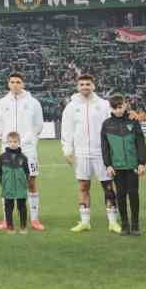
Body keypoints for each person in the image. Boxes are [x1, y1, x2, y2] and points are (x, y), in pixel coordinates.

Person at [61, 73, 118, 233]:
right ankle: (85, 221)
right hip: (81, 153)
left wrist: (112, 150)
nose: (85, 87)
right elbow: (66, 130)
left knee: (108, 186)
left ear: (93, 85)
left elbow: (112, 127)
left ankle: (113, 221)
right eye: (82, 84)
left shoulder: (104, 104)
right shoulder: (71, 107)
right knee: (83, 186)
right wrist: (68, 150)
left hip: (102, 153)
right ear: (78, 87)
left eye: (88, 84)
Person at [0, 73, 45, 231]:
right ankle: (6, 219)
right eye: (12, 82)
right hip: (7, 148)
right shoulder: (1, 103)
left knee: (31, 182)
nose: (15, 84)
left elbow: (38, 125)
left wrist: (29, 141)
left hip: (28, 149)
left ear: (23, 84)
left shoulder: (33, 103)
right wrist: (8, 140)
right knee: (7, 182)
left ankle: (34, 219)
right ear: (8, 84)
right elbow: (0, 123)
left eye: (18, 82)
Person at [100, 95, 146, 235]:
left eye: (120, 107)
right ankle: (125, 224)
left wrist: (141, 162)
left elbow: (140, 143)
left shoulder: (133, 121)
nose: (118, 110)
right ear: (111, 108)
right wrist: (108, 165)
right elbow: (105, 147)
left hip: (132, 165)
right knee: (120, 195)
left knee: (133, 194)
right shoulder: (107, 124)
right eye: (115, 108)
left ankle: (135, 224)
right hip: (117, 167)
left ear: (125, 105)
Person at [0, 131, 30, 234]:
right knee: (8, 207)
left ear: (19, 142)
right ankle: (10, 227)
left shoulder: (23, 158)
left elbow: (27, 172)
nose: (12, 144)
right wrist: (4, 183)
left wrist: (23, 182)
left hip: (20, 187)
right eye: (10, 141)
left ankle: (23, 227)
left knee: (22, 207)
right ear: (7, 142)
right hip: (8, 187)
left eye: (15, 141)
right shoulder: (2, 157)